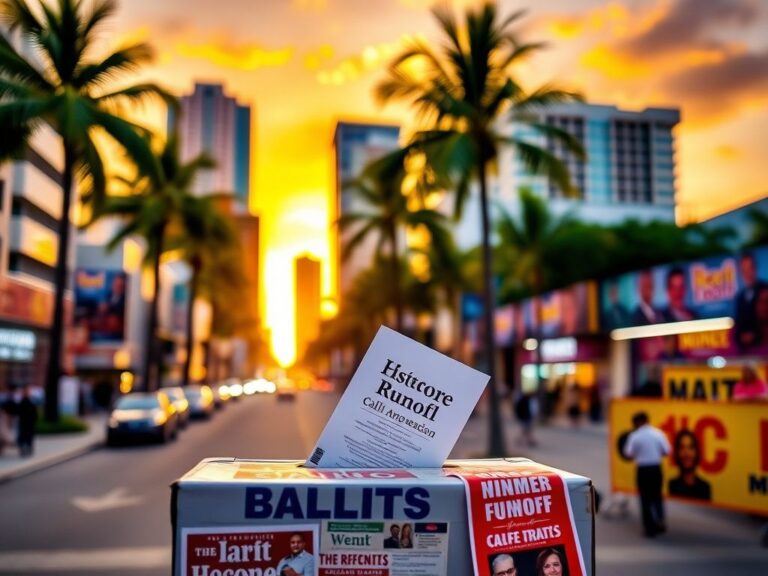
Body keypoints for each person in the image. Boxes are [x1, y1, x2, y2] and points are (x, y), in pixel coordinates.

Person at [622, 411, 670, 537]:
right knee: (657, 496)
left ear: (638, 422)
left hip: (643, 469)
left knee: (645, 498)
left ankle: (649, 527)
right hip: (656, 468)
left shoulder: (635, 436)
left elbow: (628, 454)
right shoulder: (658, 433)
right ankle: (660, 521)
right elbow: (667, 451)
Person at [734, 252, 767, 349]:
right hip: (746, 349)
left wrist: (755, 334)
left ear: (755, 269)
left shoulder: (765, 290)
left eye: (750, 268)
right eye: (744, 270)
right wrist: (741, 337)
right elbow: (738, 322)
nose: (748, 273)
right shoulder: (740, 297)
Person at [667, 430, 711, 500]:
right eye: (682, 448)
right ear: (677, 453)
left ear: (697, 452)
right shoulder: (672, 485)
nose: (686, 453)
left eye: (691, 447)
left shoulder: (704, 487)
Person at [16, 386, 38, 457]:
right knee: (23, 436)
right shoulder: (21, 402)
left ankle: (28, 448)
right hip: (23, 422)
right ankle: (23, 449)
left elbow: (34, 412)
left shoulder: (30, 401)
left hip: (29, 423)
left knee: (28, 436)